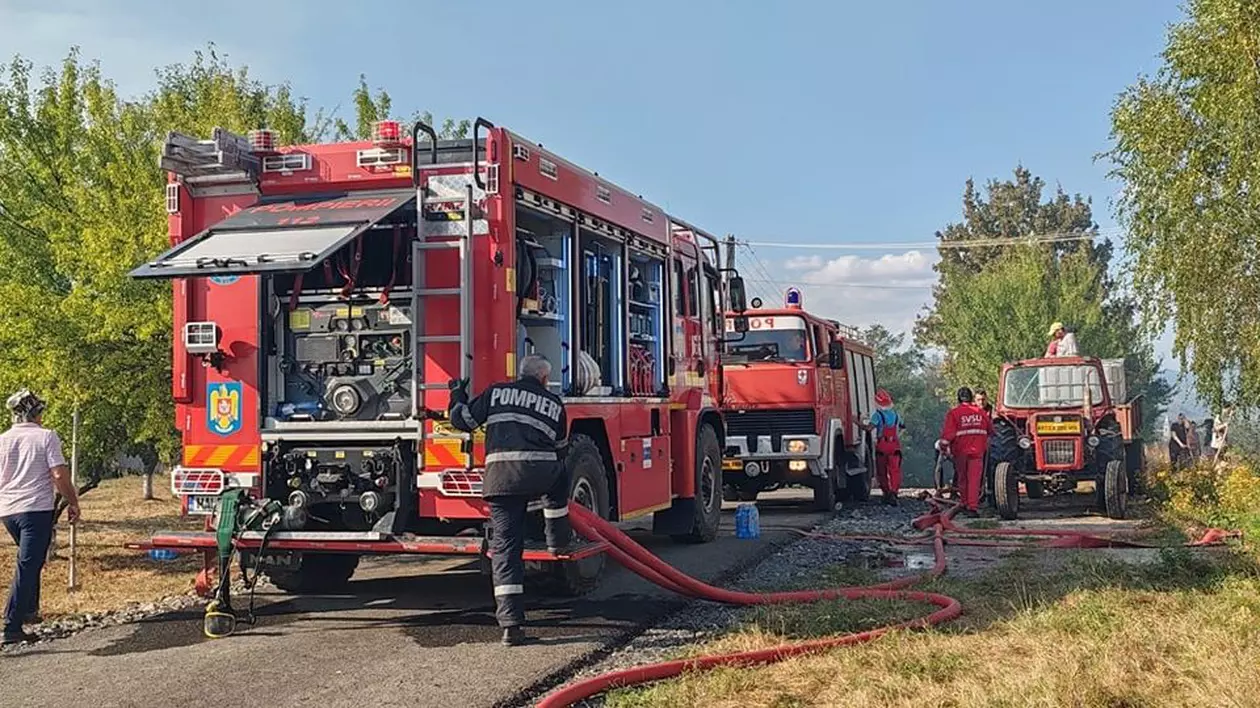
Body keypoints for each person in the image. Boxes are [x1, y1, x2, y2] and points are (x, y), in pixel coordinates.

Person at [448, 355, 571, 647]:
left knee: (505, 550)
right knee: (560, 479)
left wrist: (456, 394)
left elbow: (461, 421)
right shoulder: (554, 403)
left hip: (501, 482)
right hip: (541, 477)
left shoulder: (495, 392)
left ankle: (511, 626)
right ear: (543, 379)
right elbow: (561, 448)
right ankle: (557, 541)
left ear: (519, 374)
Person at [0, 389, 79, 645]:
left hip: (8, 511)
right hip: (36, 509)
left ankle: (30, 611)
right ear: (34, 413)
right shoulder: (46, 437)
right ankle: (11, 625)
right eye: (40, 411)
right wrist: (72, 501)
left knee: (29, 560)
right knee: (28, 564)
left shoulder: (3, 440)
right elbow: (58, 474)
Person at [937, 387, 993, 516]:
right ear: (971, 398)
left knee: (963, 479)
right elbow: (991, 430)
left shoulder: (954, 413)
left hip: (960, 452)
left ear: (958, 398)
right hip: (977, 452)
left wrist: (943, 447)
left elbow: (948, 435)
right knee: (974, 480)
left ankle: (963, 503)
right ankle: (972, 507)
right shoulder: (981, 412)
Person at [860, 389, 904, 506]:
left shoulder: (877, 415)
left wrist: (858, 423)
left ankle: (887, 493)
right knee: (895, 471)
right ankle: (894, 492)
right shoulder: (896, 415)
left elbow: (869, 428)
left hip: (882, 446)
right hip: (895, 446)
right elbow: (902, 426)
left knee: (882, 471)